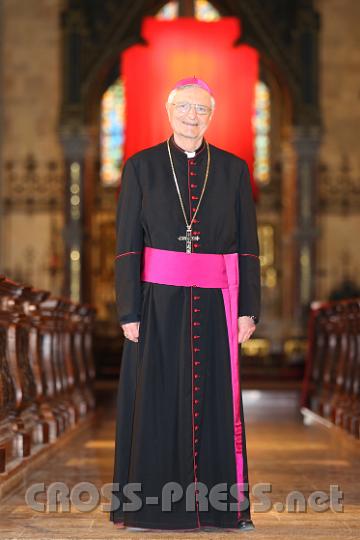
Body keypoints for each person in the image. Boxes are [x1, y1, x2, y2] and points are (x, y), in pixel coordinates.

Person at [109, 76, 261, 532]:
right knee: (153, 399)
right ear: (169, 110)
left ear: (211, 116)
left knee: (217, 401)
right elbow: (127, 245)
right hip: (156, 304)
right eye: (185, 108)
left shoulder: (233, 170)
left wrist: (248, 308)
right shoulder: (141, 166)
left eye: (201, 109)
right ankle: (149, 507)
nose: (192, 116)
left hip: (217, 305)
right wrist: (128, 310)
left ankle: (220, 507)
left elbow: (249, 246)